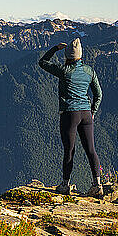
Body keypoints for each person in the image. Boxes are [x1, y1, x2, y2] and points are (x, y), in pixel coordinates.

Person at [38, 38, 103, 198]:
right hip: (86, 114)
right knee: (91, 150)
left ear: (67, 56)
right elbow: (98, 94)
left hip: (70, 114)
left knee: (69, 150)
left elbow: (43, 62)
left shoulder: (64, 70)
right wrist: (92, 111)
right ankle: (97, 185)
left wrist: (55, 48)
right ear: (80, 56)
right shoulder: (89, 71)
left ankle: (65, 185)